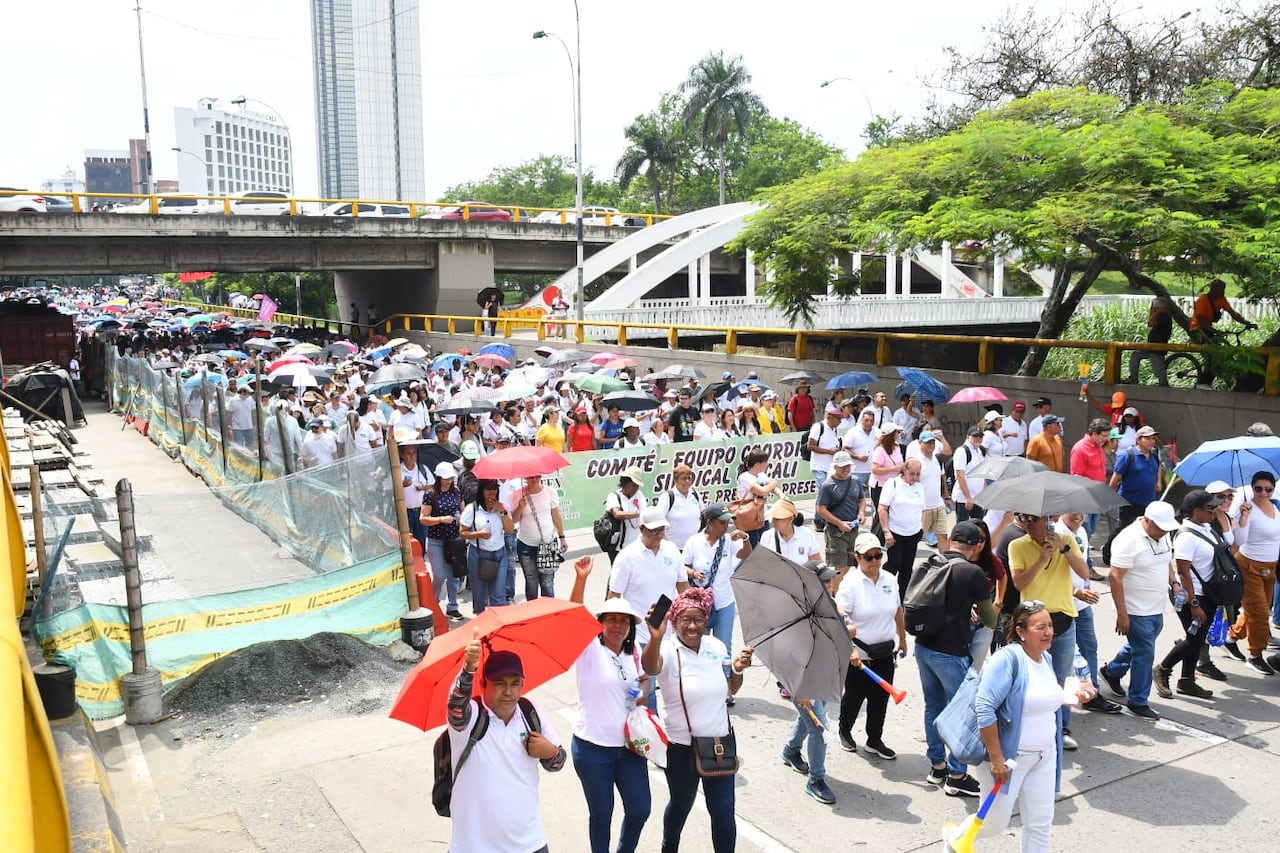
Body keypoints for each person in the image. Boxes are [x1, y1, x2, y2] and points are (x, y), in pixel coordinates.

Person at [973, 601, 1095, 853]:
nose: (1049, 632)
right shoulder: (1007, 660)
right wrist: (996, 759)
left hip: (1044, 757)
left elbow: (1042, 699)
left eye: (1050, 625)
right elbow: (984, 709)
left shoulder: (1045, 658)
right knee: (993, 824)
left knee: (1040, 825)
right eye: (1040, 627)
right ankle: (954, 840)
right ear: (1020, 631)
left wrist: (1076, 695)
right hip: (1009, 760)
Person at [642, 587, 753, 853]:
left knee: (723, 812)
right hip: (681, 748)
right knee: (681, 804)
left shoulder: (716, 647)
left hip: (719, 744)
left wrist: (738, 670)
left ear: (706, 621)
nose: (692, 626)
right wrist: (655, 638)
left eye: (699, 620)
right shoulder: (668, 650)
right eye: (685, 620)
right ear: (675, 621)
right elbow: (650, 667)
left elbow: (730, 688)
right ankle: (669, 847)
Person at [446, 639, 564, 853]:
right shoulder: (471, 717)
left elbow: (558, 763)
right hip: (473, 847)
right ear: (483, 684)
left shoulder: (531, 713)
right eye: (499, 683)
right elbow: (455, 708)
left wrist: (550, 752)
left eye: (515, 683)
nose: (508, 691)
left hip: (530, 844)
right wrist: (468, 669)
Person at [568, 559, 652, 853]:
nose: (617, 626)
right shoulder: (588, 648)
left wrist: (643, 692)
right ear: (600, 624)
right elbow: (573, 618)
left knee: (640, 809)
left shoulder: (634, 651)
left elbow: (644, 679)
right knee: (602, 814)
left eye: (623, 621)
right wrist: (581, 579)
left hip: (629, 747)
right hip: (592, 748)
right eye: (611, 620)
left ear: (630, 628)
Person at [917, 521, 997, 796]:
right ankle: (956, 774)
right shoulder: (972, 572)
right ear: (975, 546)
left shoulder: (932, 562)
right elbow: (989, 619)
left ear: (951, 540)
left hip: (923, 646)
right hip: (951, 651)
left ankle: (937, 766)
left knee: (933, 706)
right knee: (961, 711)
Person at [1007, 512, 1091, 750]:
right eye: (1024, 519)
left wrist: (1064, 549)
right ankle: (1027, 725)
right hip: (1032, 619)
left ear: (1046, 520)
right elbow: (1019, 583)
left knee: (1062, 677)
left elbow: (1084, 573)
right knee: (1029, 677)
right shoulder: (1017, 545)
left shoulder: (1067, 540)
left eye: (1034, 519)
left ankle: (1062, 728)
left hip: (1063, 617)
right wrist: (1041, 560)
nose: (1029, 524)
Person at [1100, 501, 1181, 719]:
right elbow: (1115, 578)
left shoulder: (1163, 535)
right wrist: (1122, 614)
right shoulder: (1128, 540)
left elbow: (1166, 560)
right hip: (1135, 608)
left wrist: (1173, 582)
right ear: (1147, 521)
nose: (1165, 532)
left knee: (1141, 645)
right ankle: (1138, 701)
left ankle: (1112, 671)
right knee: (1145, 653)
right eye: (1161, 527)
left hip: (1156, 606)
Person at [835, 533, 906, 760]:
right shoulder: (850, 584)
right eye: (868, 557)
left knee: (880, 699)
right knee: (854, 697)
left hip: (885, 651)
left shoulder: (889, 579)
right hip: (860, 653)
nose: (874, 561)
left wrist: (902, 638)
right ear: (857, 557)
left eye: (878, 555)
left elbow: (897, 610)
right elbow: (841, 619)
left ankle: (874, 739)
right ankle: (845, 730)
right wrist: (850, 649)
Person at [1155, 490, 1226, 702]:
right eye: (1210, 508)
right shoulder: (1186, 536)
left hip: (1208, 594)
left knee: (1197, 638)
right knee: (1194, 639)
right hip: (1191, 596)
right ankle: (1162, 669)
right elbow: (1183, 572)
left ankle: (1187, 680)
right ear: (1196, 511)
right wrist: (1194, 604)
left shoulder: (1207, 528)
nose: (1214, 511)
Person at [781, 561, 842, 805]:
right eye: (824, 580)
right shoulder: (797, 614)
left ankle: (790, 751)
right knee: (819, 728)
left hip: (825, 676)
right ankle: (816, 780)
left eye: (830, 579)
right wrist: (801, 689)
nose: (830, 583)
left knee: (808, 720)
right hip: (803, 681)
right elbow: (790, 656)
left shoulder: (830, 605)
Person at [682, 505, 751, 669]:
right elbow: (682, 566)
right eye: (722, 523)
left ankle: (726, 680)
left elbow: (745, 554)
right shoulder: (694, 542)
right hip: (701, 604)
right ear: (709, 522)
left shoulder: (728, 541)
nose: (726, 526)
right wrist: (693, 573)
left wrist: (745, 539)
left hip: (724, 602)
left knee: (724, 647)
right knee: (699, 644)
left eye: (727, 523)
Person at [1228, 471, 1280, 674]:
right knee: (1260, 614)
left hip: (1270, 568)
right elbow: (1239, 539)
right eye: (1259, 489)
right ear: (1252, 489)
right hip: (1249, 567)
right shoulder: (1248, 508)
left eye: (1268, 489)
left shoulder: (1275, 507)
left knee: (1256, 609)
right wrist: (1244, 517)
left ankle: (1230, 637)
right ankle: (1255, 655)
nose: (1263, 493)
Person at [460, 478, 514, 614]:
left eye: (494, 488)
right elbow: (462, 533)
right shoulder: (472, 509)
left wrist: (502, 511)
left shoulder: (501, 507)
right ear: (481, 491)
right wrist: (479, 534)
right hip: (479, 555)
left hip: (499, 554)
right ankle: (481, 622)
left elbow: (509, 530)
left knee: (498, 594)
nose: (492, 492)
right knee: (479, 595)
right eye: (488, 489)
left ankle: (498, 623)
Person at [509, 474, 567, 601]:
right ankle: (533, 610)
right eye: (531, 477)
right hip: (526, 545)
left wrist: (562, 536)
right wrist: (520, 506)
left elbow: (555, 515)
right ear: (525, 477)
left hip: (548, 543)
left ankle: (550, 611)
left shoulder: (550, 492)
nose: (534, 480)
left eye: (537, 476)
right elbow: (513, 520)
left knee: (548, 582)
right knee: (531, 582)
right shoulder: (518, 494)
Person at [816, 451, 869, 584]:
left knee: (852, 563)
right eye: (842, 466)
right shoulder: (828, 485)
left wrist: (861, 513)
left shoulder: (855, 480)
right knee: (840, 566)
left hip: (853, 529)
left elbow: (861, 500)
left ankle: (835, 587)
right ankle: (834, 592)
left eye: (848, 466)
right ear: (835, 466)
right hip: (836, 532)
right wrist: (839, 523)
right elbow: (821, 509)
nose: (846, 469)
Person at [878, 458, 926, 596]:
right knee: (894, 564)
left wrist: (921, 527)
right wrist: (886, 531)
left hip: (913, 532)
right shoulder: (893, 484)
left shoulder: (919, 487)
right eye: (912, 474)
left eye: (918, 474)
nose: (915, 477)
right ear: (904, 470)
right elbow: (882, 508)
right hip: (895, 532)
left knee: (907, 567)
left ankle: (902, 597)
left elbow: (923, 509)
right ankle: (882, 590)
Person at [423, 462, 465, 620]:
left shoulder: (456, 492)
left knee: (454, 575)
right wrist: (441, 519)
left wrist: (462, 519)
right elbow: (423, 518)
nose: (449, 481)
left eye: (451, 478)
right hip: (436, 540)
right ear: (439, 478)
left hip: (454, 539)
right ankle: (433, 603)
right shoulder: (430, 494)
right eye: (446, 478)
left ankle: (452, 606)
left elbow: (463, 511)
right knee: (439, 575)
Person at [736, 448, 778, 548]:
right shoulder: (745, 477)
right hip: (750, 517)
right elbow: (762, 491)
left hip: (762, 516)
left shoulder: (761, 475)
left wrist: (782, 495)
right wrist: (774, 482)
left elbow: (772, 487)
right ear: (758, 464)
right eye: (765, 462)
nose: (767, 464)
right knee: (753, 548)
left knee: (766, 546)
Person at [604, 468, 647, 564]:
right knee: (619, 572)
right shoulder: (614, 496)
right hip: (618, 548)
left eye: (637, 486)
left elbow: (644, 512)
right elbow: (617, 514)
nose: (636, 488)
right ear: (624, 483)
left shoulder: (639, 495)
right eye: (633, 485)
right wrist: (638, 514)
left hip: (636, 546)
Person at [758, 499, 821, 564]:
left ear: (791, 518)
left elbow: (816, 563)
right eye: (773, 518)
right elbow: (762, 564)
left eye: (778, 518)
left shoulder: (806, 534)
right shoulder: (767, 536)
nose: (773, 521)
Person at [1127, 296, 1172, 386]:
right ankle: (1133, 379)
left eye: (1153, 306)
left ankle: (1164, 386)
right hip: (1151, 347)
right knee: (1136, 355)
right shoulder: (1160, 316)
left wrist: (1156, 312)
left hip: (1157, 348)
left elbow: (1150, 323)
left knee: (1158, 370)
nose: (1151, 309)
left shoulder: (1164, 317)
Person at [953, 427, 988, 523]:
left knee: (978, 525)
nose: (978, 439)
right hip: (964, 498)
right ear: (968, 437)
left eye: (980, 436)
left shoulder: (981, 451)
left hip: (978, 498)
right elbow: (960, 476)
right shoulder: (962, 451)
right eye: (975, 436)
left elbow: (983, 474)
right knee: (963, 526)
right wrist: (968, 498)